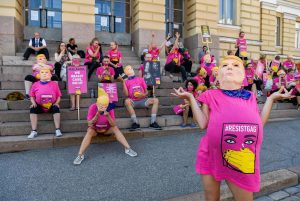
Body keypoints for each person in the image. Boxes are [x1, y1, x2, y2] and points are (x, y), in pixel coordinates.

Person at [172, 55, 294, 201]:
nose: (229, 67)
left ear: (243, 75)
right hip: (211, 155)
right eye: (225, 65)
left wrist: (271, 99)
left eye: (235, 65)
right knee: (211, 198)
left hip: (242, 159)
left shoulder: (250, 96)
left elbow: (258, 124)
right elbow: (203, 124)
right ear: (217, 75)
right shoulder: (210, 94)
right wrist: (191, 98)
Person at [73, 89, 137, 165]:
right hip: (95, 129)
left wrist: (108, 115)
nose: (103, 107)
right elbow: (89, 124)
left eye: (105, 106)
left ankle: (128, 148)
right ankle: (80, 155)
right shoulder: (92, 107)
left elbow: (113, 124)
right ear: (97, 103)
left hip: (106, 129)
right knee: (89, 131)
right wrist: (97, 114)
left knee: (115, 128)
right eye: (101, 105)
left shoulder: (110, 108)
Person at [122, 65, 162, 131]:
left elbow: (146, 92)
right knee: (126, 101)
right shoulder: (126, 82)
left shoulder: (140, 79)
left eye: (131, 68)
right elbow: (126, 94)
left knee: (156, 100)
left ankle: (153, 122)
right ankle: (135, 123)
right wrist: (123, 82)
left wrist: (143, 95)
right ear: (125, 72)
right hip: (133, 102)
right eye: (128, 69)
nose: (130, 70)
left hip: (143, 100)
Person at [27, 66, 63, 139]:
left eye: (46, 72)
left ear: (50, 75)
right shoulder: (35, 84)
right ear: (39, 75)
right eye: (42, 72)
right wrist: (33, 103)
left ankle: (57, 129)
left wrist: (57, 103)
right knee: (32, 109)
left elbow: (58, 96)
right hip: (39, 105)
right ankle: (34, 131)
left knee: (56, 108)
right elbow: (32, 96)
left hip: (51, 105)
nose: (44, 74)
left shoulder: (54, 84)